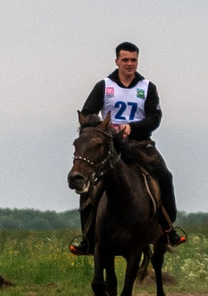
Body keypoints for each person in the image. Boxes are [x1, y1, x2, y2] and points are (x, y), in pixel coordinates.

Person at [71, 42, 186, 255]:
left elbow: (155, 118)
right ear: (117, 61)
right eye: (125, 60)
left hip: (139, 145)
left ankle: (168, 229)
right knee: (88, 183)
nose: (129, 64)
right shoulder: (104, 86)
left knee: (165, 176)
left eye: (133, 60)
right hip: (109, 147)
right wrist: (103, 130)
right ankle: (87, 238)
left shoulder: (147, 87)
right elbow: (87, 114)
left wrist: (131, 128)